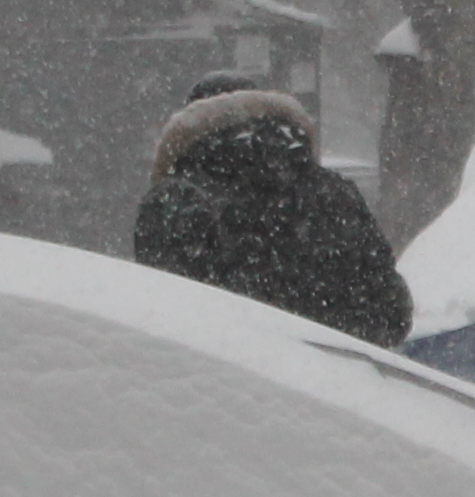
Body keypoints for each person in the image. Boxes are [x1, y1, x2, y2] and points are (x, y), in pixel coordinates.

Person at [131, 86, 414, 347]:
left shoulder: (175, 201)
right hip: (336, 387)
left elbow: (164, 322)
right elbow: (392, 313)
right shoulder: (334, 192)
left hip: (236, 387)